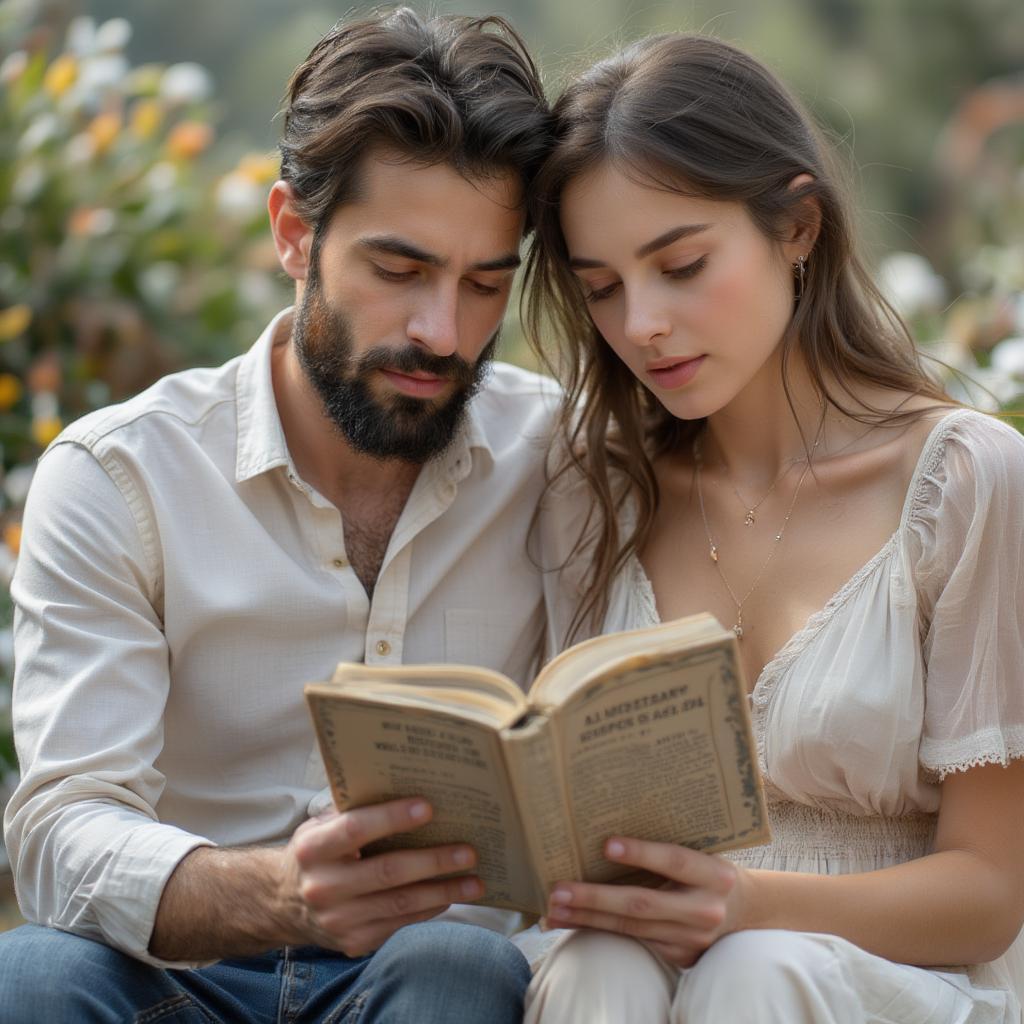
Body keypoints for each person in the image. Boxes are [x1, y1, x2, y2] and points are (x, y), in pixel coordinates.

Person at [0, 9, 557, 1022]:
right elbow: (60, 830)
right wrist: (278, 894)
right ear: (294, 235)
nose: (444, 332)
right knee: (33, 976)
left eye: (485, 285)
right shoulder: (119, 474)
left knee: (457, 965)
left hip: (429, 981)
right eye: (400, 271)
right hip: (177, 976)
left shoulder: (557, 459)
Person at [524, 32, 1024, 1024]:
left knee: (754, 971)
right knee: (593, 966)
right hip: (649, 972)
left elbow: (989, 892)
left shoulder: (964, 480)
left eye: (680, 264)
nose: (644, 325)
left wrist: (750, 904)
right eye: (603, 289)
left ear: (795, 225)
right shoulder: (599, 492)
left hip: (884, 977)